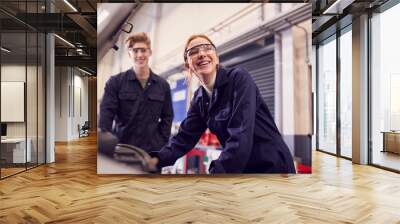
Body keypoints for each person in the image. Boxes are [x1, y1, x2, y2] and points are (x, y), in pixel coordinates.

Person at [150, 34, 296, 173]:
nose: (201, 53)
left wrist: (218, 172)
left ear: (216, 58)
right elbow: (184, 138)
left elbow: (241, 133)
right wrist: (155, 160)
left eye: (207, 48)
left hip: (271, 166)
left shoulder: (238, 78)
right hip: (242, 169)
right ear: (188, 65)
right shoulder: (199, 99)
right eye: (193, 51)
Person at [99, 32, 173, 155]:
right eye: (135, 51)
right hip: (121, 150)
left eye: (143, 50)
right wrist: (107, 146)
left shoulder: (162, 85)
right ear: (129, 53)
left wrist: (161, 143)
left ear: (150, 52)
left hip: (151, 153)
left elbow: (167, 117)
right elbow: (106, 117)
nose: (139, 55)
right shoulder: (115, 83)